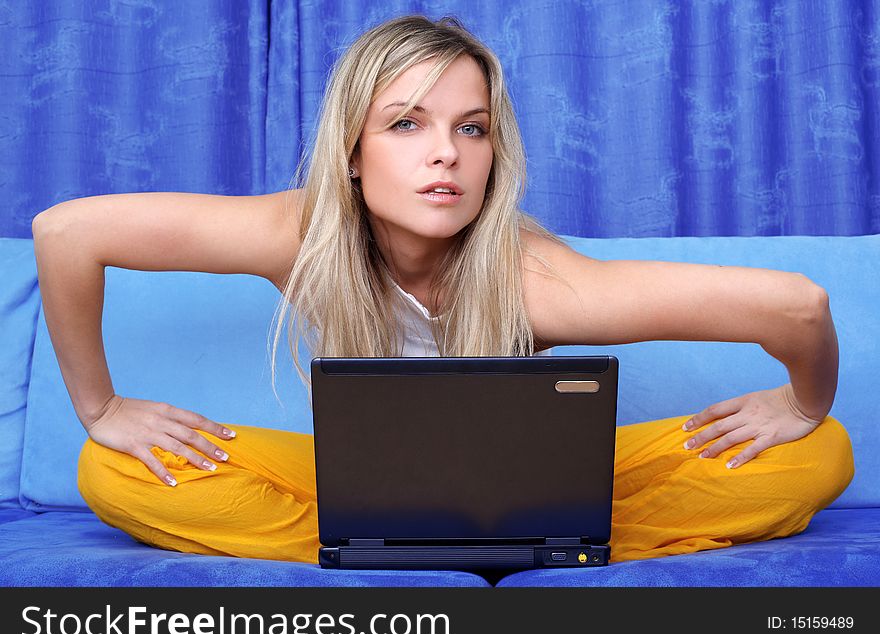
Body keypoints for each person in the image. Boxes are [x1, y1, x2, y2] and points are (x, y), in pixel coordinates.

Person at [32, 15, 853, 564]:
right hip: (360, 480)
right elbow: (68, 233)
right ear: (352, 150)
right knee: (110, 472)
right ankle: (471, 546)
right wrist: (102, 409)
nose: (446, 154)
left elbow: (797, 306)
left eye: (471, 128)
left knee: (823, 453)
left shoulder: (538, 279)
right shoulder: (297, 231)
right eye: (406, 124)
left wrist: (802, 405)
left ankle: (498, 541)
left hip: (528, 489)